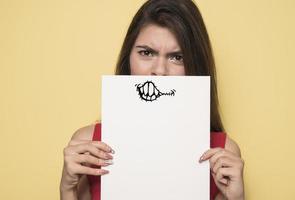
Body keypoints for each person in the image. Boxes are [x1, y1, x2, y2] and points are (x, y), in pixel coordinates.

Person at [60, 0, 245, 199]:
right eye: (146, 53)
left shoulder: (223, 156)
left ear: (195, 64)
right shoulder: (88, 147)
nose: (159, 71)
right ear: (128, 59)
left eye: (177, 57)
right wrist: (67, 190)